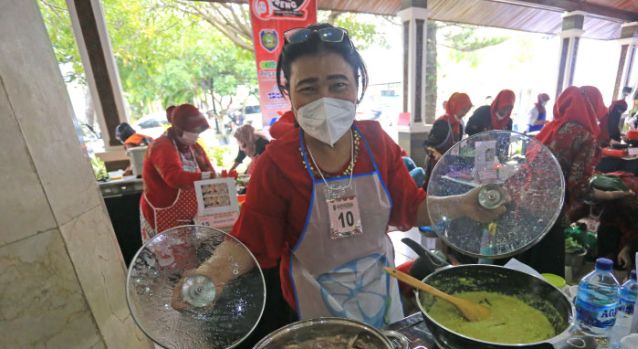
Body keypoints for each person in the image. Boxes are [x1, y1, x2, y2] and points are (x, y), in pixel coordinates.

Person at [173, 23, 505, 330]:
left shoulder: (377, 142)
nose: (325, 100)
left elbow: (410, 207)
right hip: (313, 302)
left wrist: (463, 204)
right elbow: (251, 242)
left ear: (357, 87)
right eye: (308, 88)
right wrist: (212, 273)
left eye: (338, 84)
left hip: (381, 291)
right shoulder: (276, 163)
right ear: (289, 94)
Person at [523, 86, 602, 274]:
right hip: (551, 209)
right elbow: (577, 183)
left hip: (525, 203)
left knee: (524, 260)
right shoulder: (585, 135)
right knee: (545, 269)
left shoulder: (553, 127)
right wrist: (604, 194)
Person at [139, 104, 219, 242]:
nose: (197, 135)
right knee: (166, 258)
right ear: (180, 129)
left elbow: (208, 170)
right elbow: (174, 178)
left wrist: (219, 180)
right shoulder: (161, 146)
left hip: (188, 217)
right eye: (194, 131)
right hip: (163, 212)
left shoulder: (193, 146)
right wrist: (206, 177)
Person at [423, 92, 472, 185]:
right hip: (435, 165)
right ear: (455, 106)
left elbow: (457, 146)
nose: (465, 112)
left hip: (449, 165)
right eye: (464, 109)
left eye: (467, 110)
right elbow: (427, 145)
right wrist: (437, 156)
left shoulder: (460, 125)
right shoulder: (442, 123)